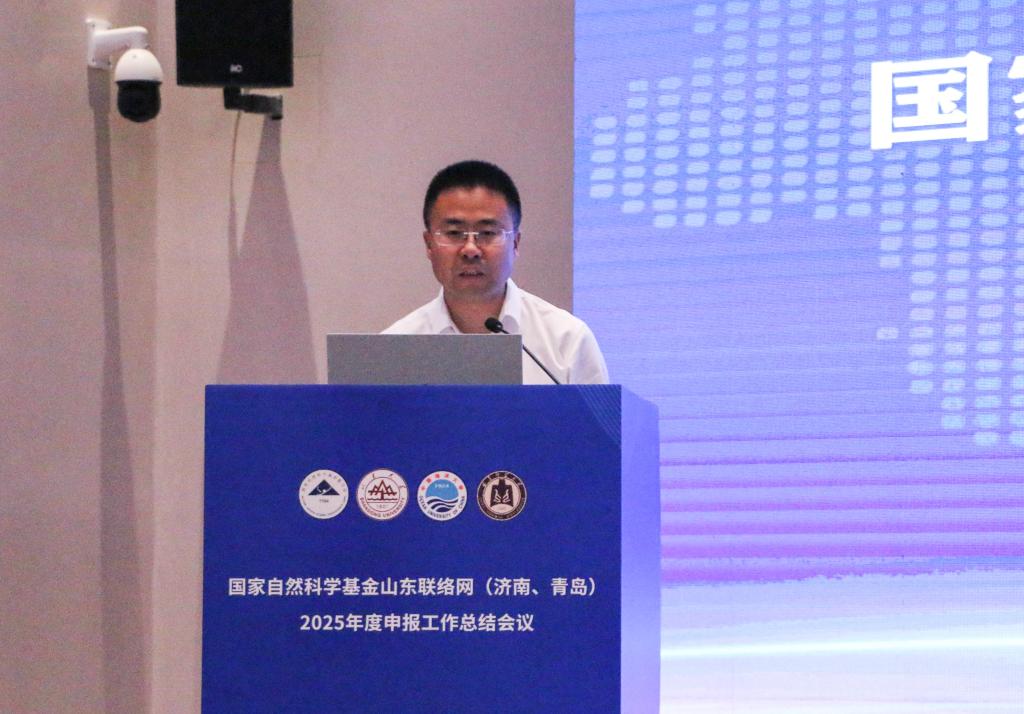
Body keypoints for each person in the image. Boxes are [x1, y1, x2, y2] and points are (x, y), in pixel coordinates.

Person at [383, 160, 609, 385]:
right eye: (454, 233)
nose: (470, 249)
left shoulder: (567, 341)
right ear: (429, 244)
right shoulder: (394, 350)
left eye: (487, 232)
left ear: (515, 243)